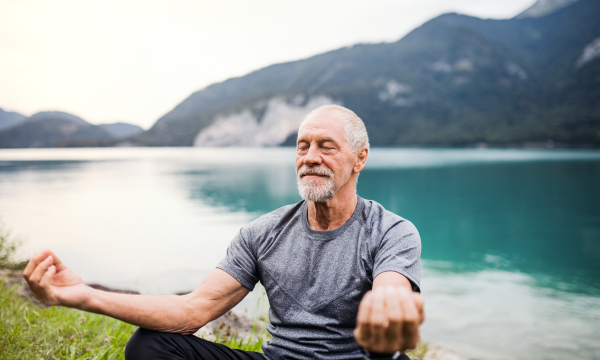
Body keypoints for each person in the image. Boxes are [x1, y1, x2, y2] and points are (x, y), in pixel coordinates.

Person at [23, 105, 424, 360]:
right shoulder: (262, 233)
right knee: (149, 346)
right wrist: (83, 296)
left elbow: (392, 287)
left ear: (360, 158)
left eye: (326, 146)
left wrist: (390, 302)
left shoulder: (391, 231)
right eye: (302, 146)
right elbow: (192, 311)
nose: (310, 158)